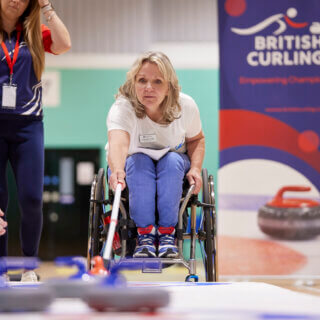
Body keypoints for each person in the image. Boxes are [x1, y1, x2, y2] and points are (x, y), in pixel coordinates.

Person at [107, 51, 205, 258]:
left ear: (169, 87)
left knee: (170, 162)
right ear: (133, 83)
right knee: (139, 162)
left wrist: (195, 169)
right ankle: (144, 235)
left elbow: (196, 140)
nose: (148, 87)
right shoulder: (122, 108)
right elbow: (118, 142)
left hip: (174, 162)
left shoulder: (185, 105)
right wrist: (116, 170)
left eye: (157, 81)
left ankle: (168, 234)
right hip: (133, 162)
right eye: (142, 80)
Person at [0, 0, 71, 281]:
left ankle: (30, 267)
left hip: (29, 125)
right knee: (0, 201)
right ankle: (2, 269)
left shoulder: (33, 33)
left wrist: (47, 7)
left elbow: (64, 44)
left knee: (31, 198)